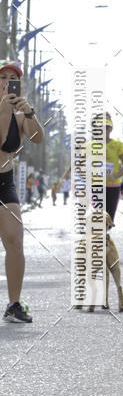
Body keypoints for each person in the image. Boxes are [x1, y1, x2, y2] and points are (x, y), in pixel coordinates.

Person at [0, 59, 44, 322]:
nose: (6, 82)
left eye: (11, 78)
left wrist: (29, 112)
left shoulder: (19, 115)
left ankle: (14, 303)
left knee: (15, 241)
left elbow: (38, 138)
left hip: (5, 183)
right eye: (2, 77)